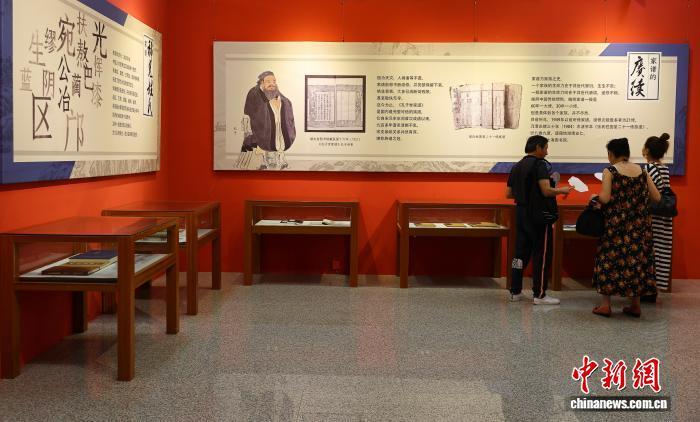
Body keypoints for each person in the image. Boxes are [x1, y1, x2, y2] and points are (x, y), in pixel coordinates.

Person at [591, 138, 661, 318]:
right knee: (635, 261)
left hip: (616, 226)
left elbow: (605, 198)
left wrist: (594, 197)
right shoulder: (643, 171)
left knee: (608, 260)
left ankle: (605, 305)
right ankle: (635, 305)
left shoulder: (610, 171)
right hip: (640, 227)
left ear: (611, 154)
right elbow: (657, 197)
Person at [506, 135, 572, 305]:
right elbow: (546, 190)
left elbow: (509, 194)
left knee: (519, 254)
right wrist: (562, 190)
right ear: (538, 148)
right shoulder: (540, 165)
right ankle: (539, 294)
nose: (547, 152)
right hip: (538, 215)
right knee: (541, 254)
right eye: (546, 148)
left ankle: (515, 291)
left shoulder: (516, 166)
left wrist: (526, 194)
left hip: (520, 213)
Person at [241, 71, 296, 169]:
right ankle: (266, 162)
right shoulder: (253, 92)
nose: (272, 84)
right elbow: (247, 112)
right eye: (268, 81)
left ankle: (280, 159)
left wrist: (282, 104)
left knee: (279, 140)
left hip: (276, 123)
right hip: (259, 126)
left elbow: (284, 100)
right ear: (262, 82)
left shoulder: (274, 90)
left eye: (274, 81)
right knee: (263, 147)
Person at [642, 133, 673, 301]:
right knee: (660, 252)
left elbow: (646, 193)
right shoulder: (664, 169)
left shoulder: (648, 169)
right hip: (664, 216)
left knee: (647, 252)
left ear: (647, 150)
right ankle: (654, 289)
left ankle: (646, 290)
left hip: (651, 216)